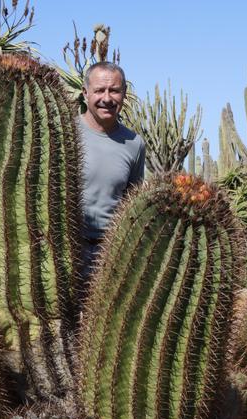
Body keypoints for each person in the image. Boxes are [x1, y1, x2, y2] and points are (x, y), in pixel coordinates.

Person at [78, 61, 146, 279]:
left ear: (124, 94)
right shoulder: (64, 132)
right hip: (65, 248)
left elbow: (131, 203)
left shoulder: (134, 143)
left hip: (108, 253)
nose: (106, 98)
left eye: (114, 90)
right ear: (85, 93)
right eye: (99, 90)